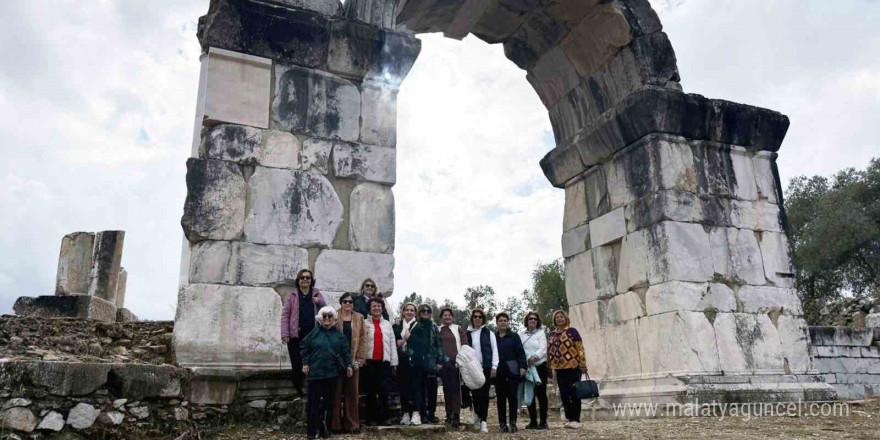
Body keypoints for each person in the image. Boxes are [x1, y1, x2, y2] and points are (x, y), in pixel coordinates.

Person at [300, 306, 353, 439]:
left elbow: (346, 353)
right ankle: (311, 432)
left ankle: (326, 431)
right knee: (313, 404)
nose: (327, 319)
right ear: (320, 319)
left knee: (330, 404)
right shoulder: (314, 333)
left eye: (330, 316)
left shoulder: (340, 337)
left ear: (335, 320)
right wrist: (305, 363)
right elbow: (304, 347)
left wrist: (349, 366)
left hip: (332, 374)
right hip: (315, 374)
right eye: (324, 316)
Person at [281, 268, 326, 396]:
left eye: (308, 278)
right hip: (296, 336)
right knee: (297, 364)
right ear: (298, 280)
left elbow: (326, 310)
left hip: (313, 336)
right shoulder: (293, 295)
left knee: (313, 364)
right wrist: (285, 334)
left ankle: (313, 391)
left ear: (311, 281)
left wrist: (320, 302)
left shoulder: (317, 294)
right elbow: (285, 315)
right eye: (302, 278)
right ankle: (299, 390)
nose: (305, 279)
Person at [331, 293, 367, 433]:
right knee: (336, 392)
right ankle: (335, 425)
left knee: (352, 393)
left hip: (352, 359)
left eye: (350, 302)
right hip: (337, 360)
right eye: (345, 301)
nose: (348, 304)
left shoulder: (359, 318)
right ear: (341, 303)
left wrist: (359, 359)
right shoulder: (334, 315)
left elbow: (363, 339)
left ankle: (352, 424)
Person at [547, 310, 588, 429]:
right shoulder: (551, 334)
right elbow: (548, 352)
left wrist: (583, 364)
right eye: (557, 317)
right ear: (554, 320)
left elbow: (580, 348)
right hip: (559, 368)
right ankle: (569, 418)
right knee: (564, 393)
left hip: (573, 366)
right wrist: (549, 367)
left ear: (565, 318)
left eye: (561, 317)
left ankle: (576, 419)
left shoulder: (572, 331)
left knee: (575, 392)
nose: (559, 319)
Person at [362, 296, 398, 426]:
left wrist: (394, 362)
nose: (376, 308)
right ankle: (371, 418)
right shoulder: (365, 323)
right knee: (371, 391)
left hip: (384, 361)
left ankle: (385, 417)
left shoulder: (387, 324)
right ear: (369, 309)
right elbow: (361, 342)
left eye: (379, 306)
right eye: (374, 306)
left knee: (384, 390)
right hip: (369, 361)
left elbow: (392, 343)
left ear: (382, 308)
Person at [407, 304, 442, 426]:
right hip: (418, 361)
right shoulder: (415, 325)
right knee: (419, 388)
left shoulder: (433, 327)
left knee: (431, 389)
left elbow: (438, 344)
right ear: (419, 312)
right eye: (423, 311)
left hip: (431, 362)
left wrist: (439, 361)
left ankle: (431, 413)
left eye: (428, 311)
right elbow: (410, 342)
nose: (426, 313)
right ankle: (422, 414)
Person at [466, 308, 497, 434]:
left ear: (483, 319)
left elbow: (495, 350)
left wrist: (494, 366)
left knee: (484, 394)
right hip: (472, 368)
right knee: (475, 394)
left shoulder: (489, 333)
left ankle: (484, 421)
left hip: (485, 368)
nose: (477, 318)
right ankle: (478, 415)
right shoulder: (468, 333)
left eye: (479, 317)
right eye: (475, 317)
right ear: (472, 319)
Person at [495, 312, 526, 433]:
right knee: (501, 399)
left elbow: (521, 352)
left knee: (513, 398)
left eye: (505, 320)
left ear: (508, 323)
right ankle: (502, 423)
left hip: (512, 371)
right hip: (499, 372)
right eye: (500, 320)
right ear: (497, 323)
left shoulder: (514, 336)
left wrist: (523, 366)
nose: (503, 322)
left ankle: (513, 422)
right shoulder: (494, 337)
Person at [437, 307, 468, 428]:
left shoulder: (457, 328)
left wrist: (461, 359)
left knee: (456, 390)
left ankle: (456, 415)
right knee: (446, 389)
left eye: (449, 315)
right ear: (441, 318)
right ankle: (448, 415)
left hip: (456, 363)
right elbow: (436, 345)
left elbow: (464, 343)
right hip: (444, 364)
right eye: (445, 315)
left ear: (452, 317)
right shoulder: (438, 329)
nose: (447, 317)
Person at [519, 311, 549, 430]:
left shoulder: (541, 333)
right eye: (530, 318)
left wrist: (534, 357)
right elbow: (519, 348)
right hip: (527, 367)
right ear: (527, 320)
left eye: (535, 319)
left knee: (541, 394)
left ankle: (543, 421)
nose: (533, 320)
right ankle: (533, 421)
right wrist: (525, 360)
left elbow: (543, 348)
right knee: (529, 393)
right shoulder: (521, 334)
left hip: (539, 366)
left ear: (537, 321)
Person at [393, 303, 418, 425]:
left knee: (415, 387)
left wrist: (408, 340)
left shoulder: (419, 325)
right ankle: (405, 413)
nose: (409, 312)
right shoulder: (397, 326)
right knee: (403, 388)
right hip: (401, 360)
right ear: (403, 312)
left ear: (415, 313)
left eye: (412, 310)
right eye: (406, 310)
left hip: (415, 361)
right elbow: (395, 343)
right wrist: (404, 340)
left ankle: (416, 413)